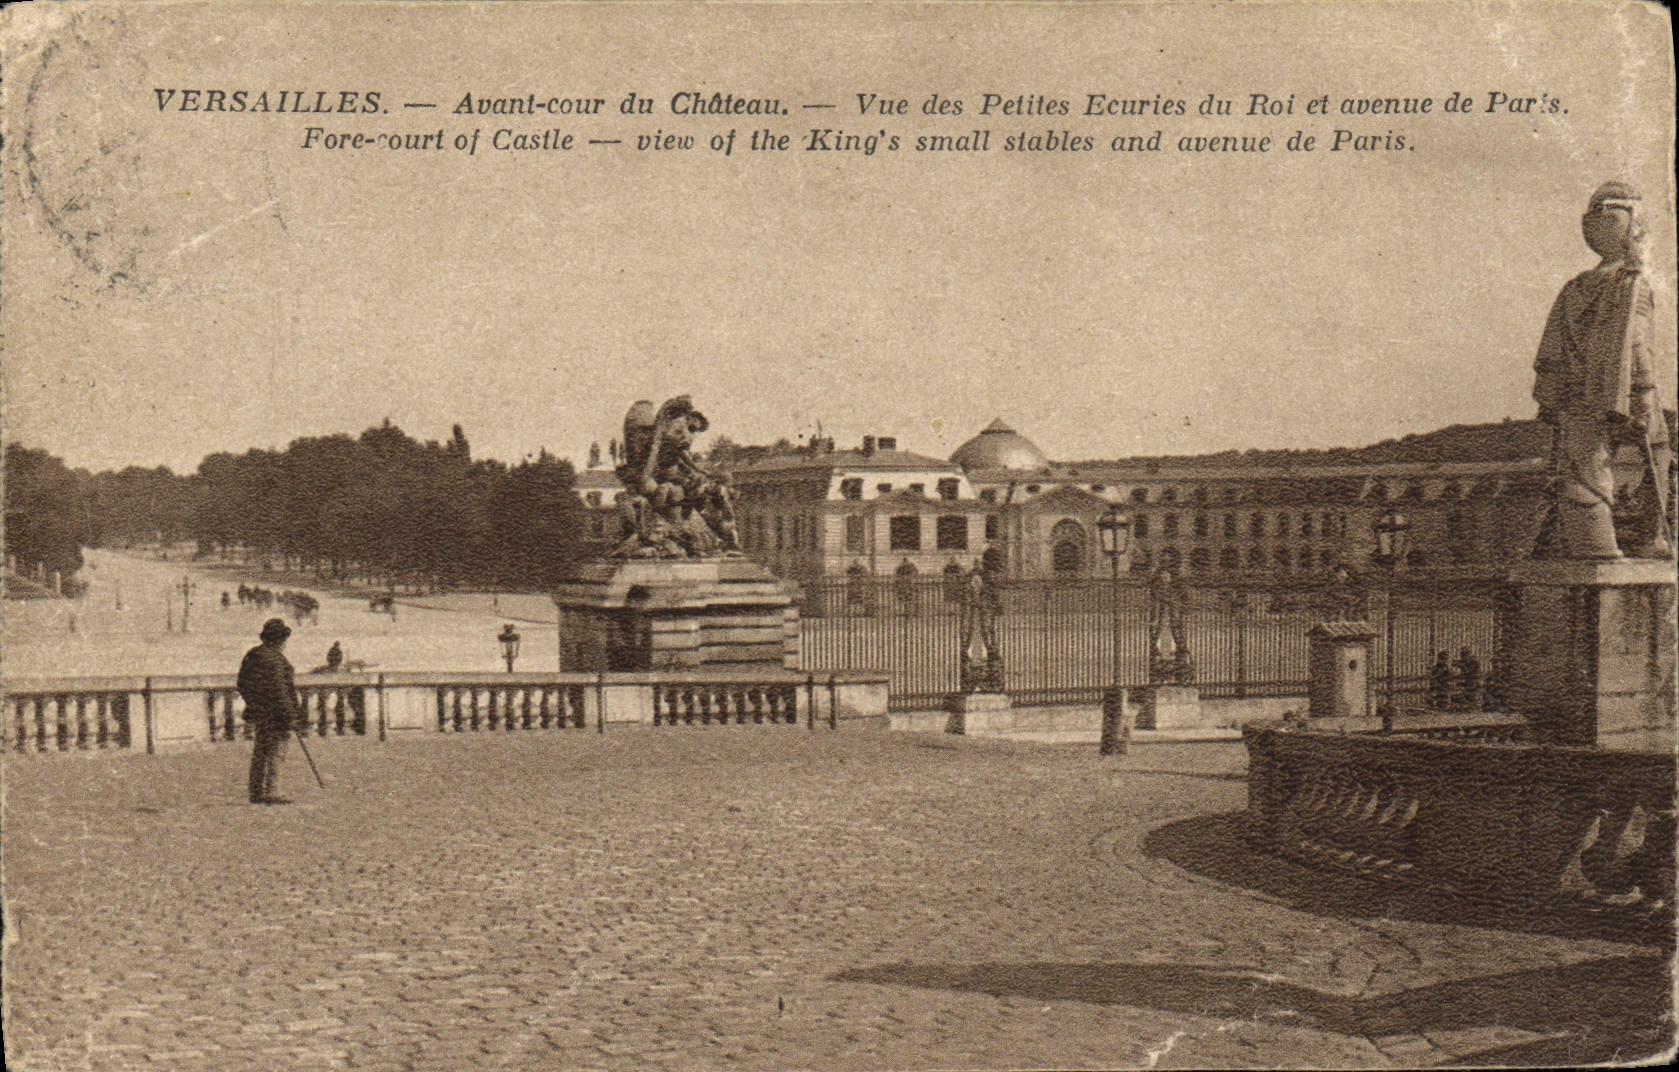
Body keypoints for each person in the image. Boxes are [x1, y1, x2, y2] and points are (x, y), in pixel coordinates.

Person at [1532, 181, 1670, 558]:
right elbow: (1638, 343)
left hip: (1575, 392)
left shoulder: (1575, 288)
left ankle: (1591, 542)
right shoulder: (1633, 283)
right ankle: (1650, 536)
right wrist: (1643, 394)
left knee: (1581, 462)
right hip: (1622, 386)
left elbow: (1553, 350)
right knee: (1657, 452)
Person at [238, 618, 301, 804]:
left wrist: (254, 703)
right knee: (277, 751)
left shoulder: (253, 655)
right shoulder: (276, 659)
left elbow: (242, 684)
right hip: (278, 713)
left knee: (260, 751)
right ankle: (272, 790)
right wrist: (291, 715)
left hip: (259, 712)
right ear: (280, 640)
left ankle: (256, 791)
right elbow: (281, 691)